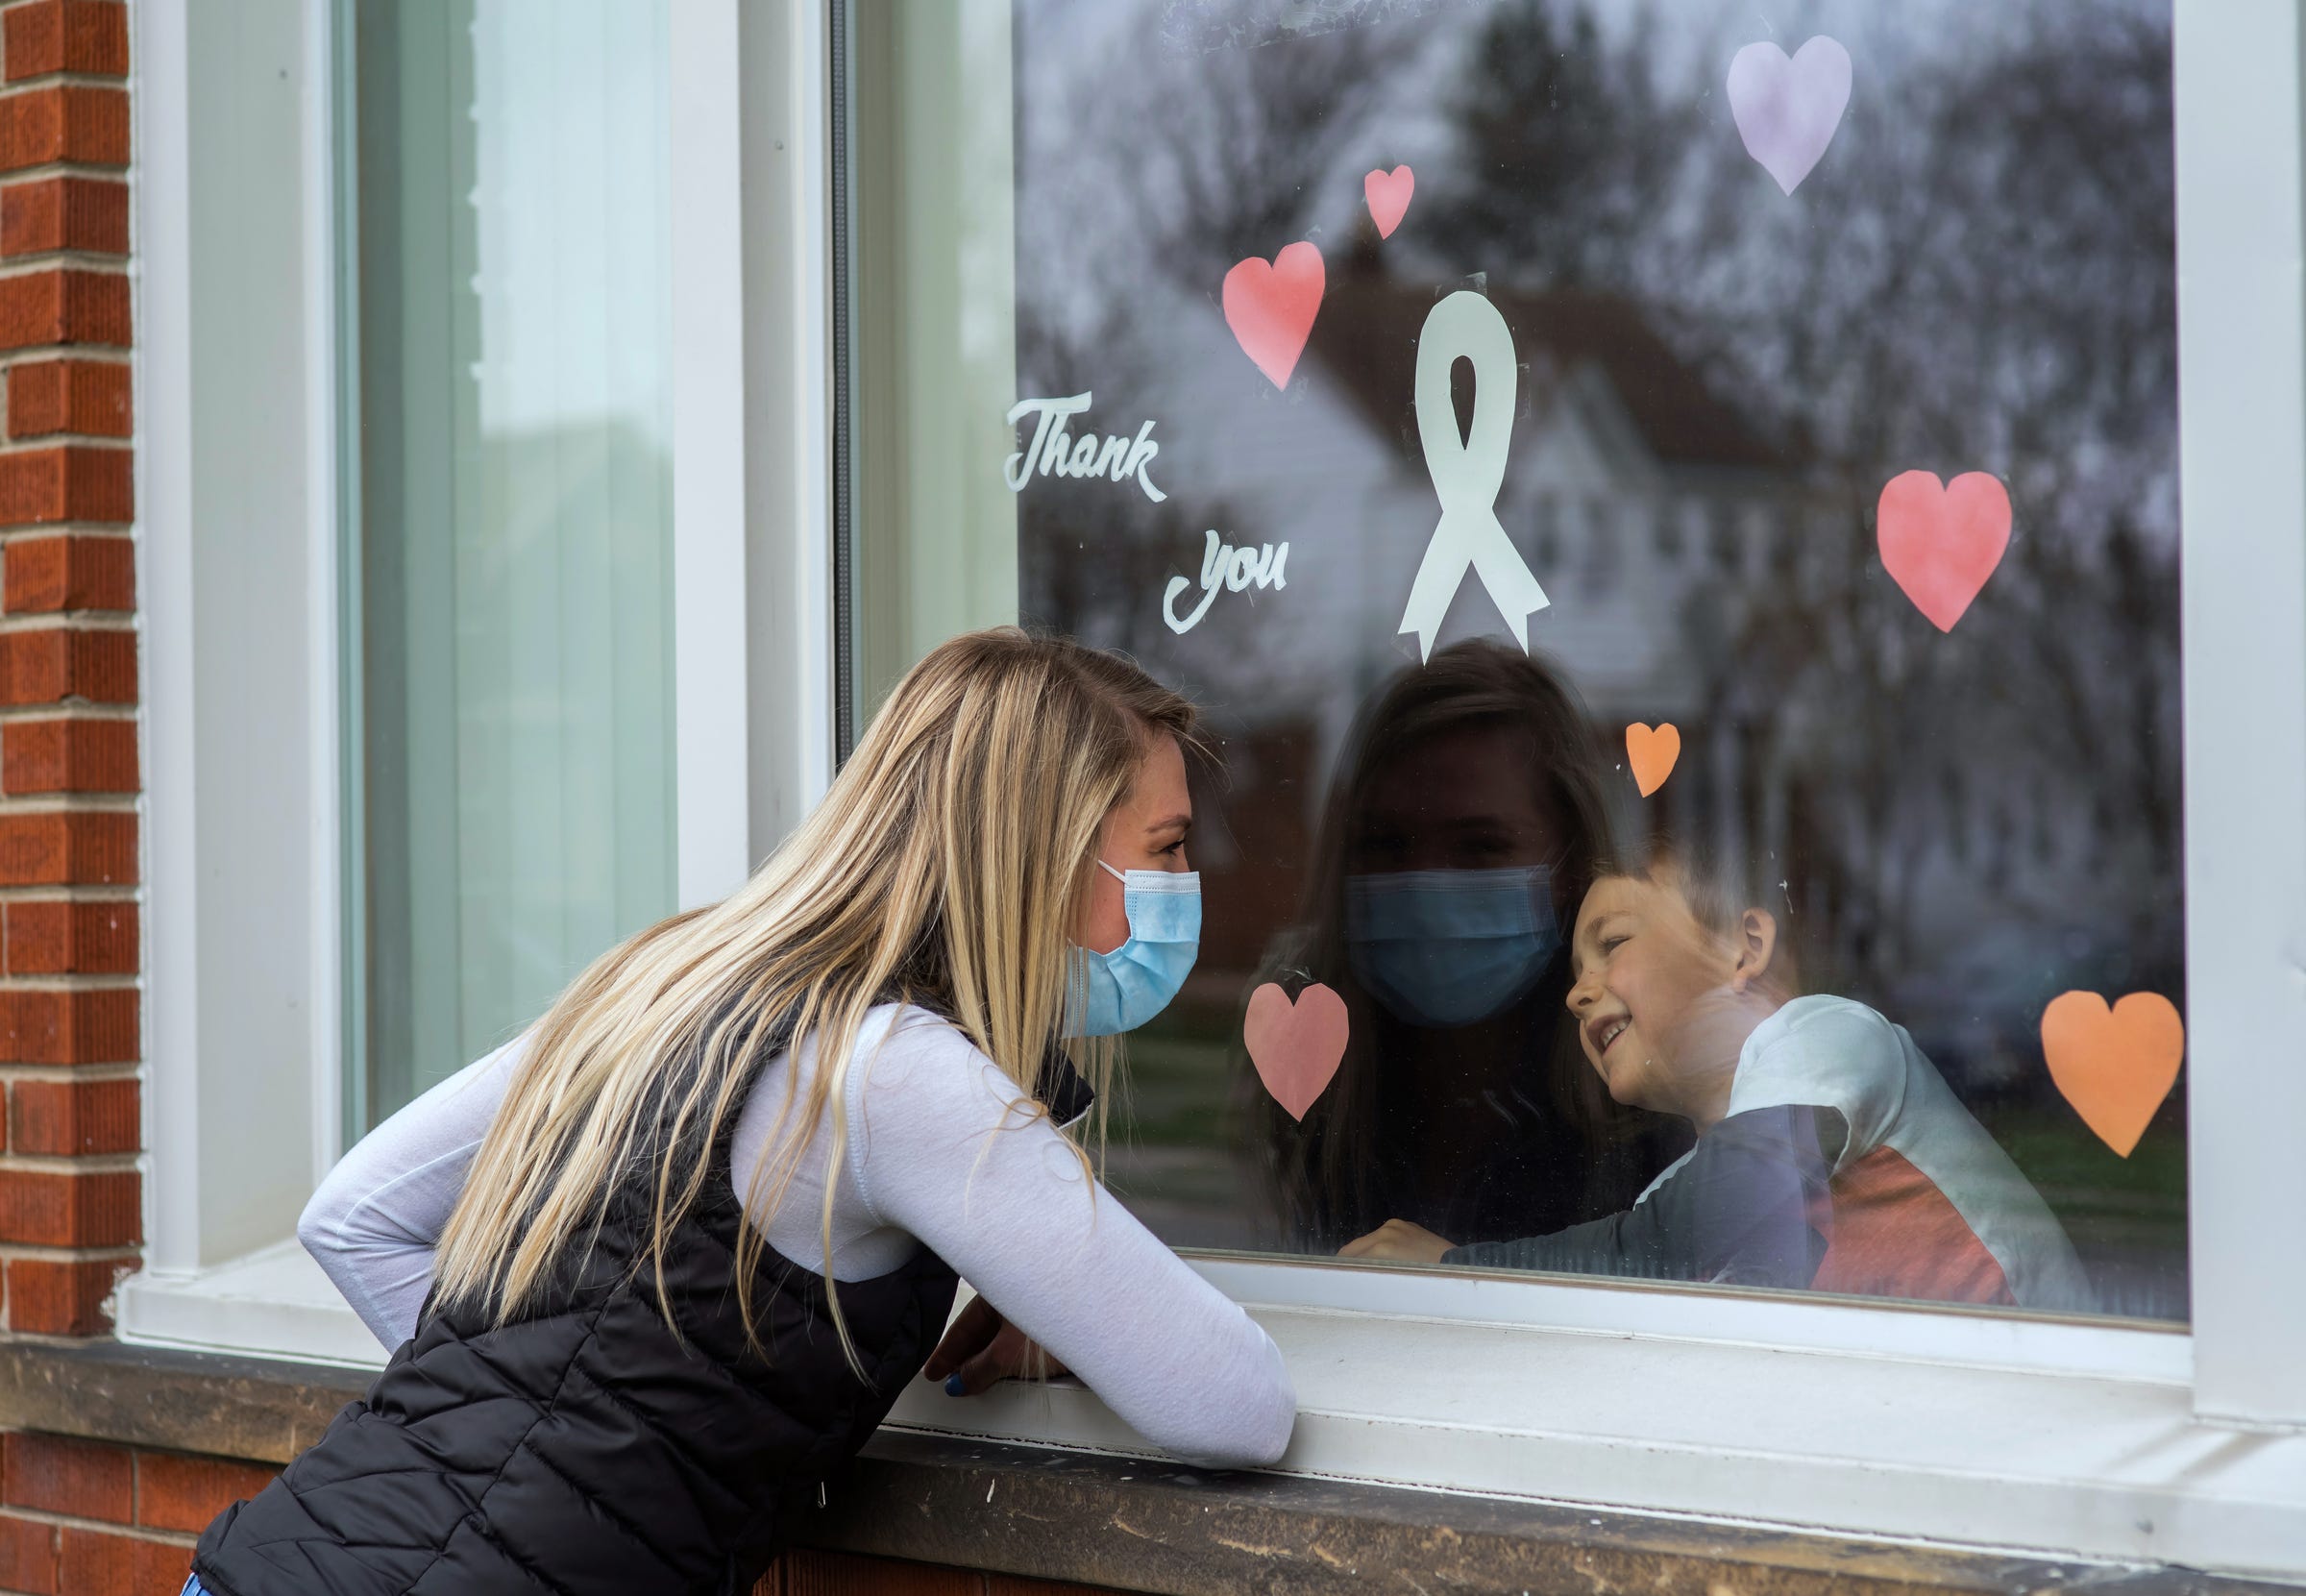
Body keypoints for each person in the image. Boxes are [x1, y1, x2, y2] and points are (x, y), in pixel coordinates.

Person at [186, 629, 1296, 1596]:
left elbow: (353, 1211)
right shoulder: (895, 1072)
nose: (1192, 880)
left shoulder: (672, 984)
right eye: (1167, 847)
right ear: (1037, 851)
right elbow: (1235, 1404)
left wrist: (550, 1434)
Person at [1342, 841, 2095, 1314]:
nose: (1578, 990)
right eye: (1575, 971)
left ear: (1745, 946)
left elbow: (1690, 1230)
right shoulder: (1680, 1200)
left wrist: (1452, 1266)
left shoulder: (1828, 1036)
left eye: (1613, 943)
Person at [1248, 642, 1686, 1255]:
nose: (1427, 887)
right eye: (1388, 842)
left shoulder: (1654, 1104)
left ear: (1570, 868)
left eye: (1481, 846)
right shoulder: (1309, 1079)